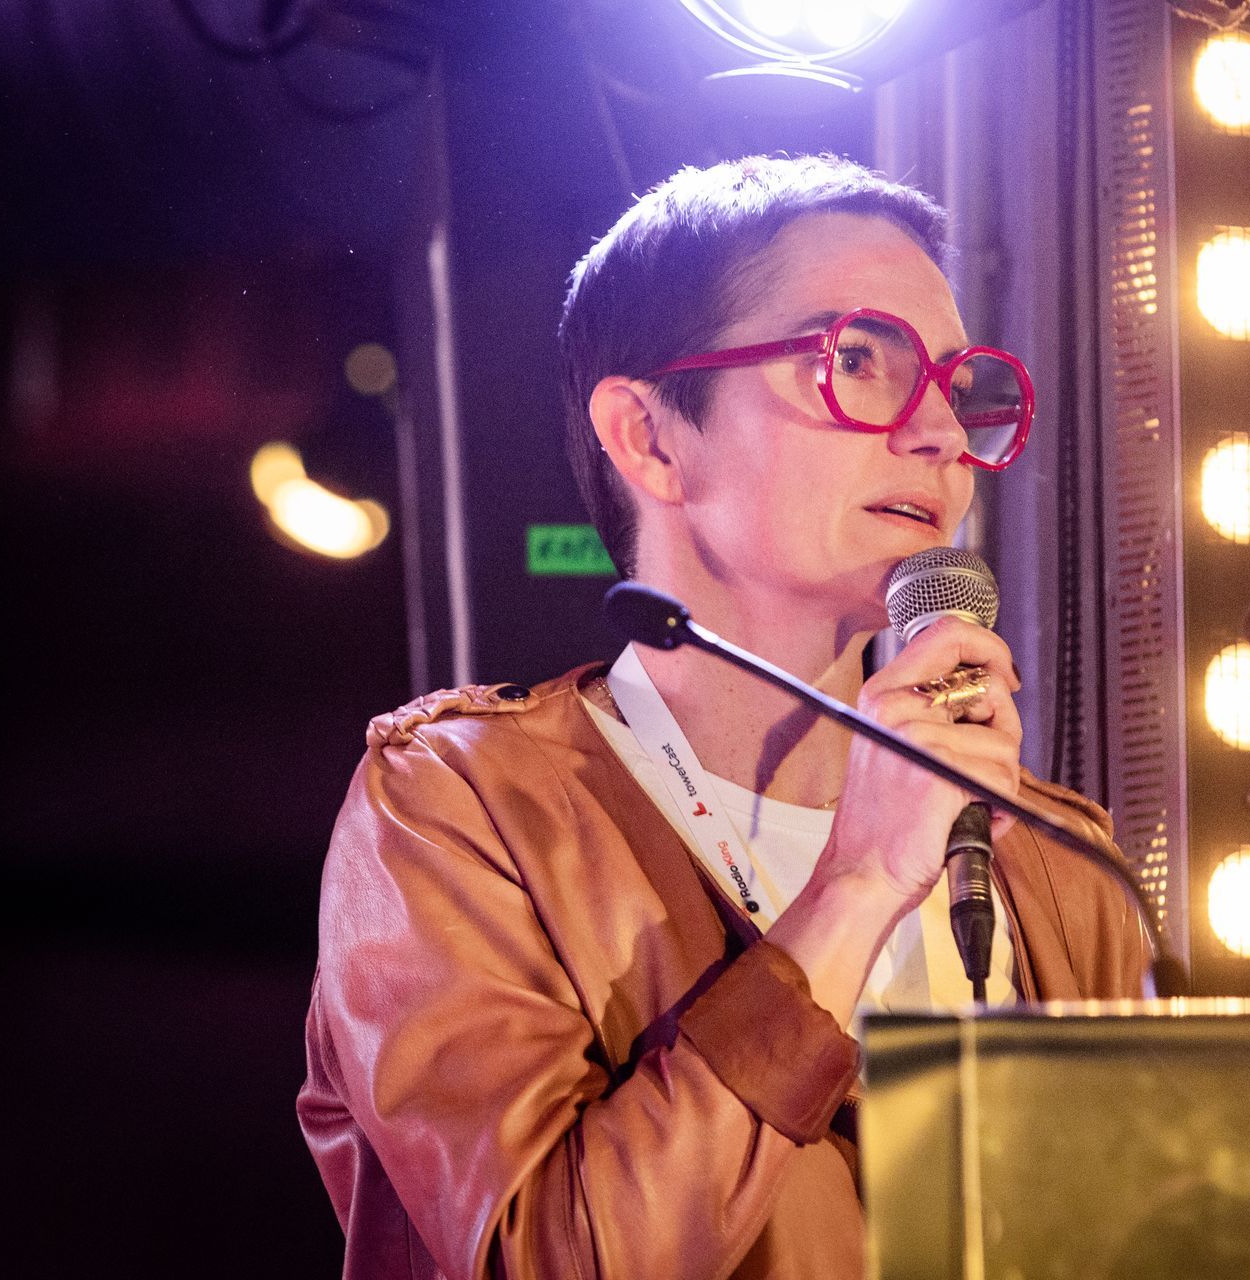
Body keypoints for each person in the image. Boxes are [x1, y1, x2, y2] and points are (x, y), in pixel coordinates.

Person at [297, 154, 1149, 1280]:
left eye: (954, 384)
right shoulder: (463, 810)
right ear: (650, 437)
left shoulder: (1056, 860)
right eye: (857, 360)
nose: (943, 433)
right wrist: (856, 885)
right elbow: (546, 1259)